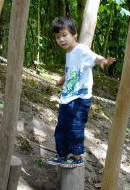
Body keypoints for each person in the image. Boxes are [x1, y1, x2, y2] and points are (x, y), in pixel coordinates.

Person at [47, 16, 116, 168]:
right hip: (67, 98)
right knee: (61, 128)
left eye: (64, 35)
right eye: (58, 37)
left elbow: (94, 57)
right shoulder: (69, 53)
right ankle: (62, 154)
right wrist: (61, 80)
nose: (61, 40)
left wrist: (103, 60)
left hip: (80, 98)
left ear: (74, 34)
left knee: (75, 127)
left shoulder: (81, 49)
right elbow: (71, 71)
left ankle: (77, 156)